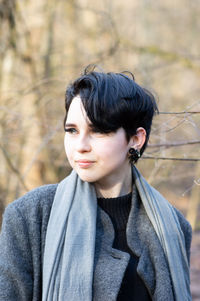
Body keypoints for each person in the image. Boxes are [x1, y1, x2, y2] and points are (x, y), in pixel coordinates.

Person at [0, 66, 192, 301]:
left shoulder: (173, 226)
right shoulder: (30, 215)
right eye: (71, 130)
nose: (80, 145)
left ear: (136, 139)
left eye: (98, 131)